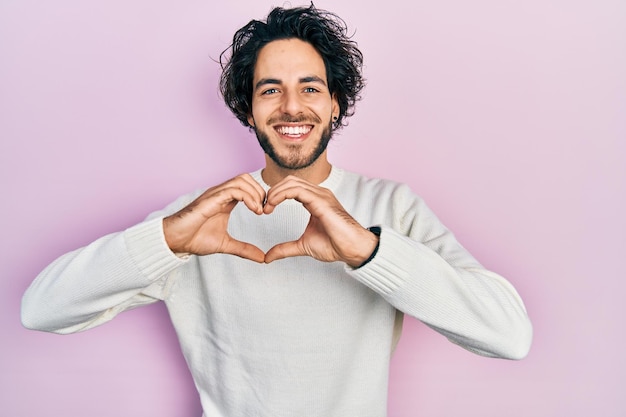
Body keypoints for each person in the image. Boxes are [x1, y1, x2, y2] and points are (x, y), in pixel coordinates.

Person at [21, 4, 532, 417]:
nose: (292, 107)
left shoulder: (392, 206)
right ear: (249, 110)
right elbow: (41, 310)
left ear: (336, 103)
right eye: (271, 90)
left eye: (310, 87)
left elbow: (508, 336)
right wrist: (169, 241)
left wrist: (368, 250)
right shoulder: (197, 218)